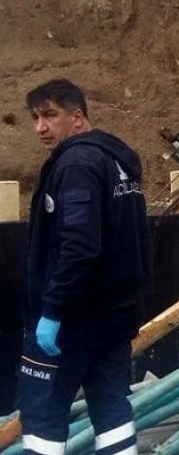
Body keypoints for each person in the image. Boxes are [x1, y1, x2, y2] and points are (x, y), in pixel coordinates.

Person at [19, 79, 153, 455]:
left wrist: (53, 311)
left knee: (43, 416)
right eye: (35, 118)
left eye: (50, 115)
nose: (40, 128)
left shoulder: (77, 164)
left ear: (77, 118)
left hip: (71, 322)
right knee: (111, 409)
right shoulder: (117, 160)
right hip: (113, 319)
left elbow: (79, 245)